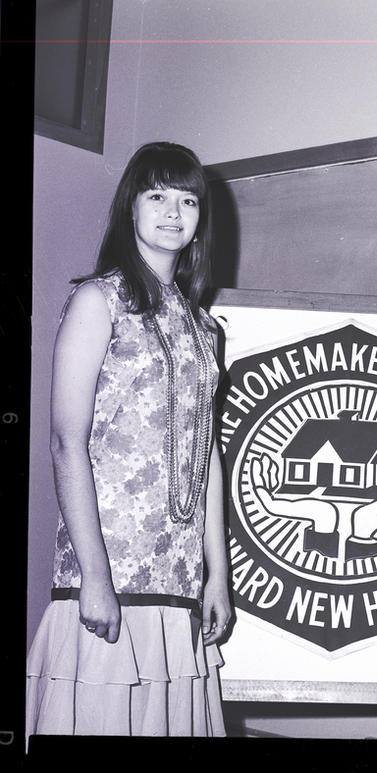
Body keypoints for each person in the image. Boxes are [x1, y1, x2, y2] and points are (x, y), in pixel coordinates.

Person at [26, 142, 231, 740]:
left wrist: (217, 575)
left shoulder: (204, 326)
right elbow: (66, 442)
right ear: (131, 207)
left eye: (188, 200)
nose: (173, 211)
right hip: (109, 571)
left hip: (179, 579)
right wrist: (94, 576)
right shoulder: (98, 299)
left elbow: (206, 451)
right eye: (157, 195)